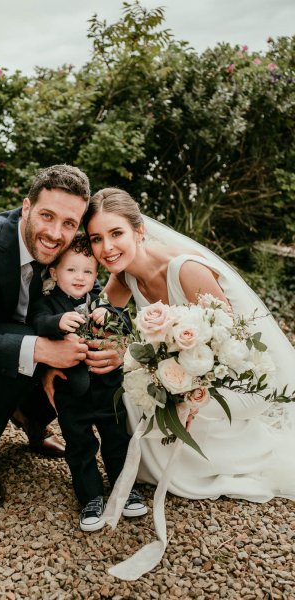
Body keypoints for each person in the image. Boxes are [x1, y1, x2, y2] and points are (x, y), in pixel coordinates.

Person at [79, 187, 295, 503]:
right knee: (129, 388)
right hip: (184, 373)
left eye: (116, 233)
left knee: (144, 396)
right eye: (96, 238)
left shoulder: (185, 269)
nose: (107, 248)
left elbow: (231, 344)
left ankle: (224, 453)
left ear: (138, 231)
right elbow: (97, 324)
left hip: (237, 379)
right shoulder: (126, 275)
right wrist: (111, 348)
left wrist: (192, 391)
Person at [0, 164, 118, 506]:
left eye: (69, 224)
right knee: (26, 344)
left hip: (31, 341)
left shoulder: (70, 247)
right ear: (26, 207)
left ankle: (32, 419)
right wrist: (40, 351)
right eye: (47, 215)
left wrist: (110, 346)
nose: (56, 234)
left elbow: (91, 297)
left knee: (79, 352)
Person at [28, 234, 147, 531]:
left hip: (108, 390)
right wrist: (57, 323)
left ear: (96, 275)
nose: (80, 277)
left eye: (87, 271)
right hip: (72, 395)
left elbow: (124, 321)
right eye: (71, 270)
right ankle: (90, 496)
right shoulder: (48, 303)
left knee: (118, 439)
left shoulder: (100, 300)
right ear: (55, 273)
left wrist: (109, 312)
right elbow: (36, 322)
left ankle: (125, 488)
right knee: (79, 446)